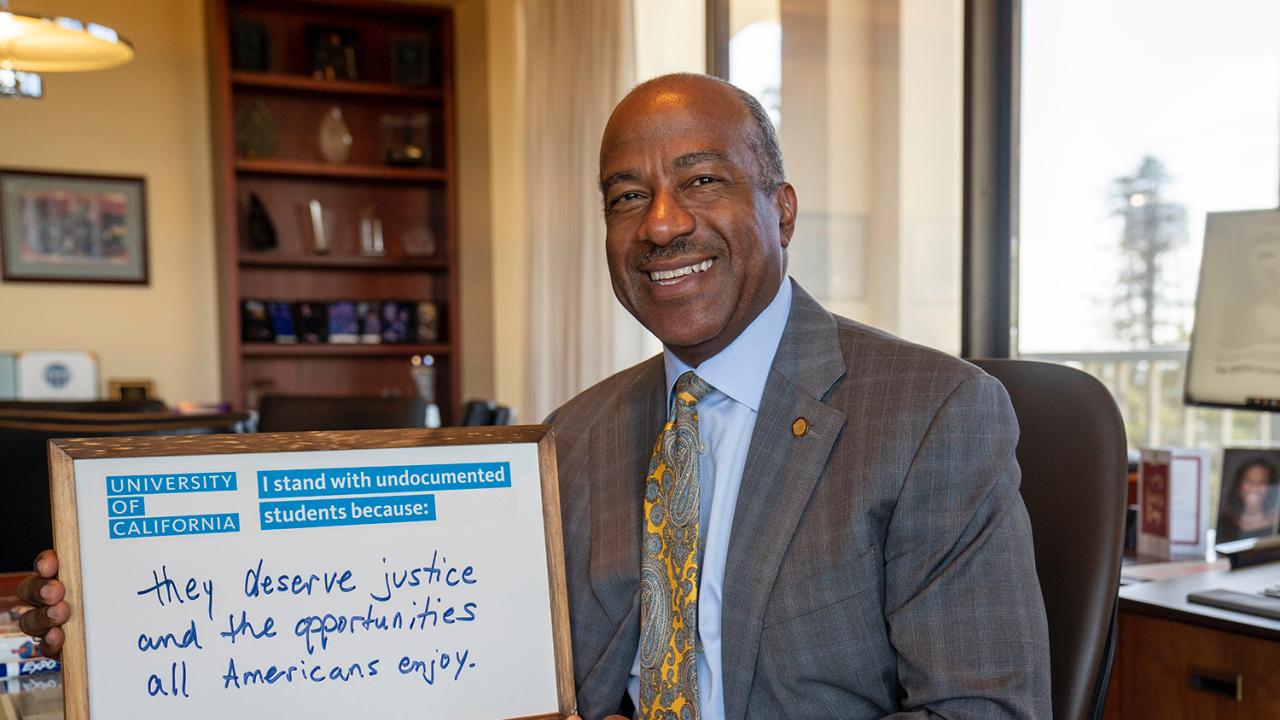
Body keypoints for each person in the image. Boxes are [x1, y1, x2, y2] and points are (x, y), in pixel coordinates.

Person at [20, 73, 1051, 719]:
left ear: (777, 208)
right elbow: (401, 634)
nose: (659, 225)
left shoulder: (929, 416)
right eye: (624, 197)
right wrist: (123, 613)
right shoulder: (574, 435)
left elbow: (985, 711)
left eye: (701, 181)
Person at [1216, 456, 1280, 542]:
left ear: (1271, 487)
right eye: (1249, 481)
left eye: (1261, 482)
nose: (1254, 486)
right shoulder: (1225, 522)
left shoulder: (1276, 525)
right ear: (1238, 485)